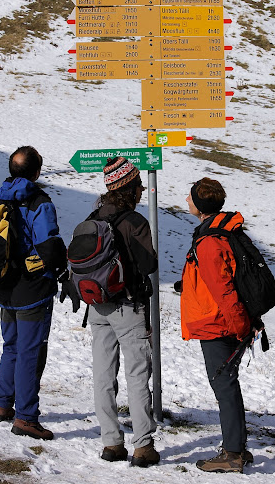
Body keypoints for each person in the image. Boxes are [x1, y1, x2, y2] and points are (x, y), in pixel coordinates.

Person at [0, 146, 69, 440]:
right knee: (30, 351)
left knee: (11, 346)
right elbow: (49, 246)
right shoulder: (39, 201)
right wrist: (61, 271)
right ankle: (26, 417)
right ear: (37, 172)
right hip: (33, 289)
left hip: (4, 285)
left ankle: (2, 405)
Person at [86, 156, 159, 467]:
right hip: (128, 307)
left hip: (97, 306)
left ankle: (111, 443)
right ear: (129, 188)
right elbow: (150, 264)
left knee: (103, 375)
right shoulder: (135, 222)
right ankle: (142, 446)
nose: (141, 191)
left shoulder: (93, 217)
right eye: (138, 185)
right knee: (138, 374)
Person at [179, 177, 256, 473]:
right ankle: (236, 447)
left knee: (223, 385)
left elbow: (223, 290)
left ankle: (233, 453)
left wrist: (240, 327)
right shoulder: (222, 232)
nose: (186, 201)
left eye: (190, 198)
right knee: (227, 385)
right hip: (226, 321)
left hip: (219, 324)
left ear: (200, 205)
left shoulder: (210, 241)